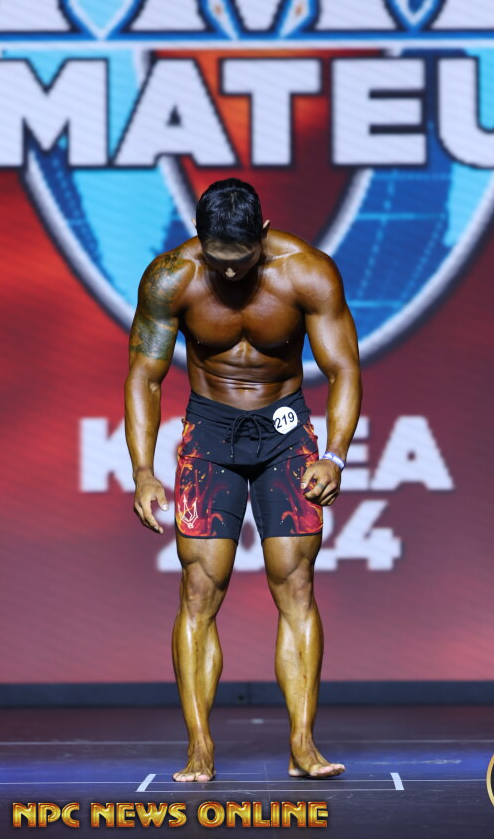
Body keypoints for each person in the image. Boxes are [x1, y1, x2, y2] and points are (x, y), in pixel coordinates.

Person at [124, 178, 362, 781]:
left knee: (296, 585)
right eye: (218, 261)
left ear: (263, 235)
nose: (230, 274)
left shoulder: (306, 272)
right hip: (209, 436)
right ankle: (199, 746)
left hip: (286, 433)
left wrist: (334, 456)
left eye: (242, 260)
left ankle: (302, 743)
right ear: (199, 239)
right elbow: (144, 376)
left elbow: (343, 370)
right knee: (199, 591)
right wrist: (143, 470)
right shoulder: (171, 277)